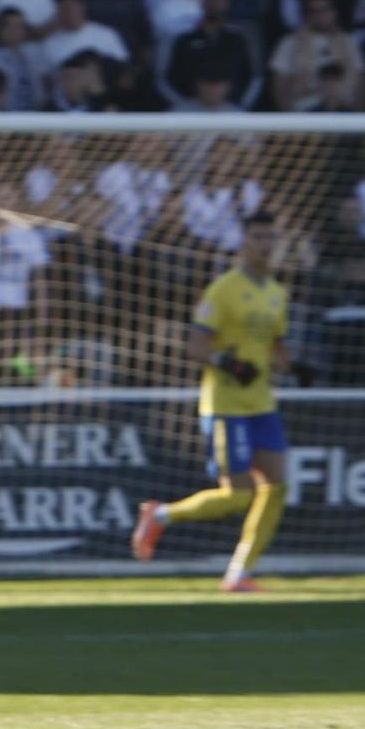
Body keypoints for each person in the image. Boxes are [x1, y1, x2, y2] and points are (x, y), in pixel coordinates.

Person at [132, 212, 293, 593]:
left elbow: (277, 346)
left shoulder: (277, 293)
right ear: (244, 243)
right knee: (238, 495)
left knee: (277, 488)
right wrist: (228, 363)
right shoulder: (223, 289)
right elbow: (195, 344)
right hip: (225, 404)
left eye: (271, 237)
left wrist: (296, 366)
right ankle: (161, 515)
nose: (265, 245)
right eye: (258, 237)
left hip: (262, 404)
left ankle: (240, 573)